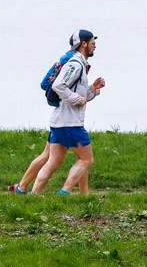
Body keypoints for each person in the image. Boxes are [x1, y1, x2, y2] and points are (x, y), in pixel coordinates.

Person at [30, 29, 106, 195]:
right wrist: (76, 100)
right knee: (87, 159)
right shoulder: (75, 64)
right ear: (83, 44)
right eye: (92, 43)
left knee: (53, 163)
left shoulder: (80, 64)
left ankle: (33, 195)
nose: (95, 46)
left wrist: (92, 89)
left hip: (59, 122)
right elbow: (59, 86)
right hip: (71, 123)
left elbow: (77, 92)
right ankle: (64, 193)